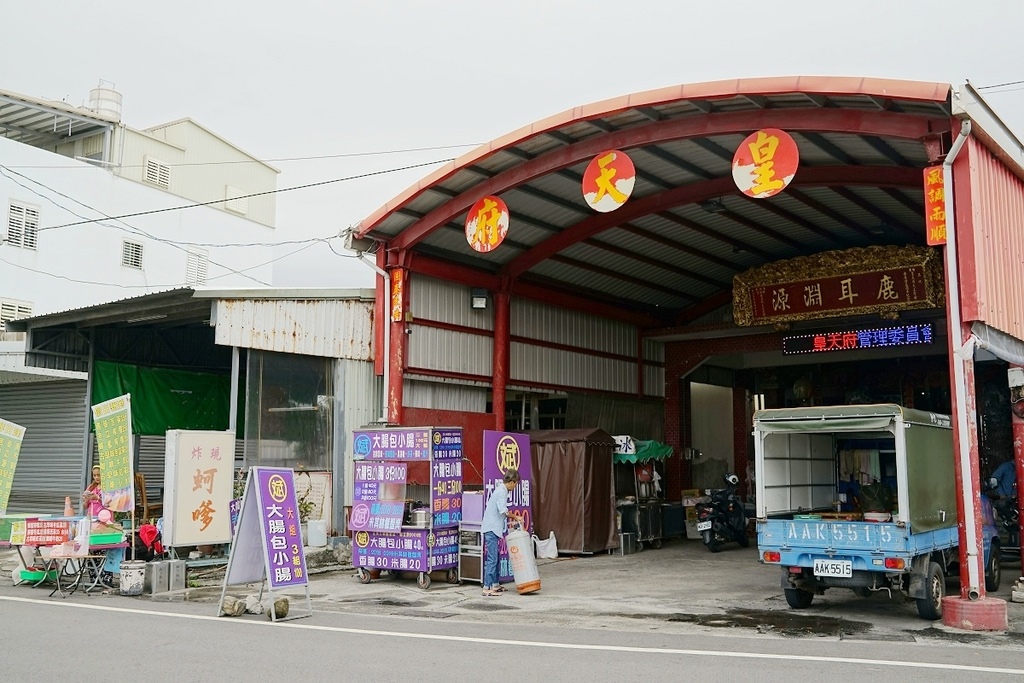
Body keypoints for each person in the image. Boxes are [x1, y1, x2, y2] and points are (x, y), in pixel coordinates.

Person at [481, 468, 522, 597]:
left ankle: (495, 584)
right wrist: (515, 517)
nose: (515, 486)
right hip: (491, 529)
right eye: (515, 484)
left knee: (496, 558)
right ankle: (487, 587)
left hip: (494, 529)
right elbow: (502, 511)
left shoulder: (501, 490)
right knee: (492, 559)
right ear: (511, 482)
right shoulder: (501, 491)